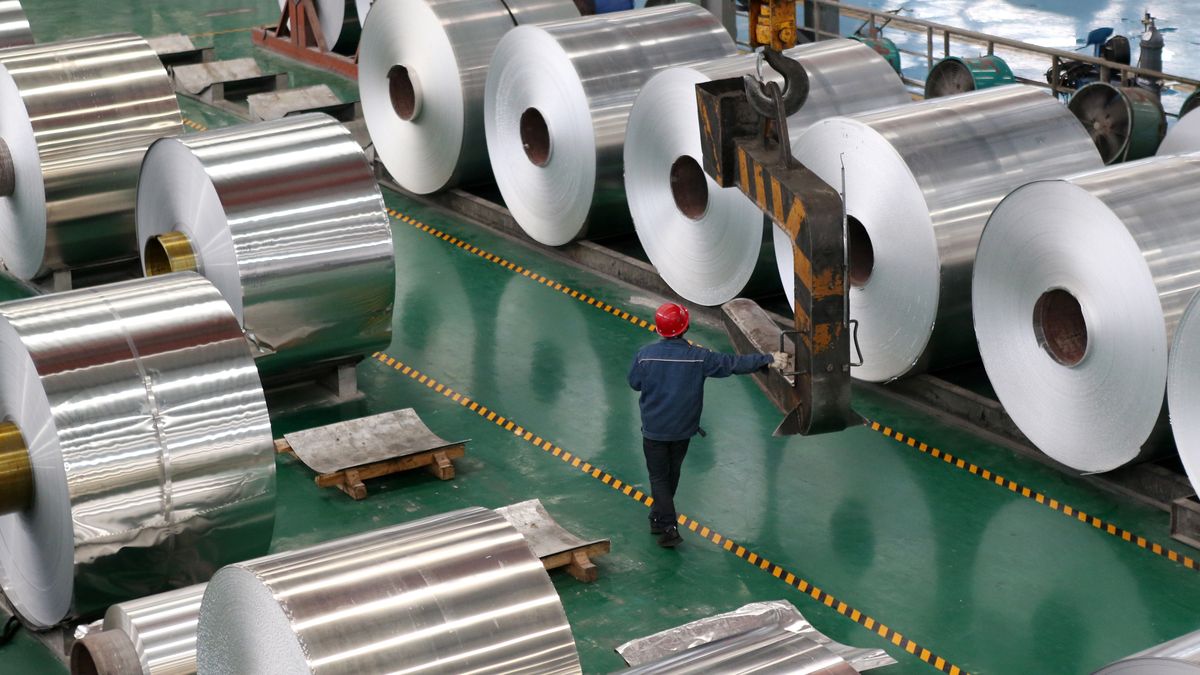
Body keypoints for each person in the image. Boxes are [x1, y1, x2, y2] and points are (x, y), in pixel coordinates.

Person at [627, 302, 787, 548]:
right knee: (672, 473)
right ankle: (657, 518)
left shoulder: (644, 355)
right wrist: (768, 359)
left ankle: (668, 527)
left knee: (658, 477)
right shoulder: (698, 357)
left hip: (655, 430)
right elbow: (732, 364)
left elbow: (634, 383)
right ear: (685, 327)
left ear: (659, 329)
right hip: (683, 429)